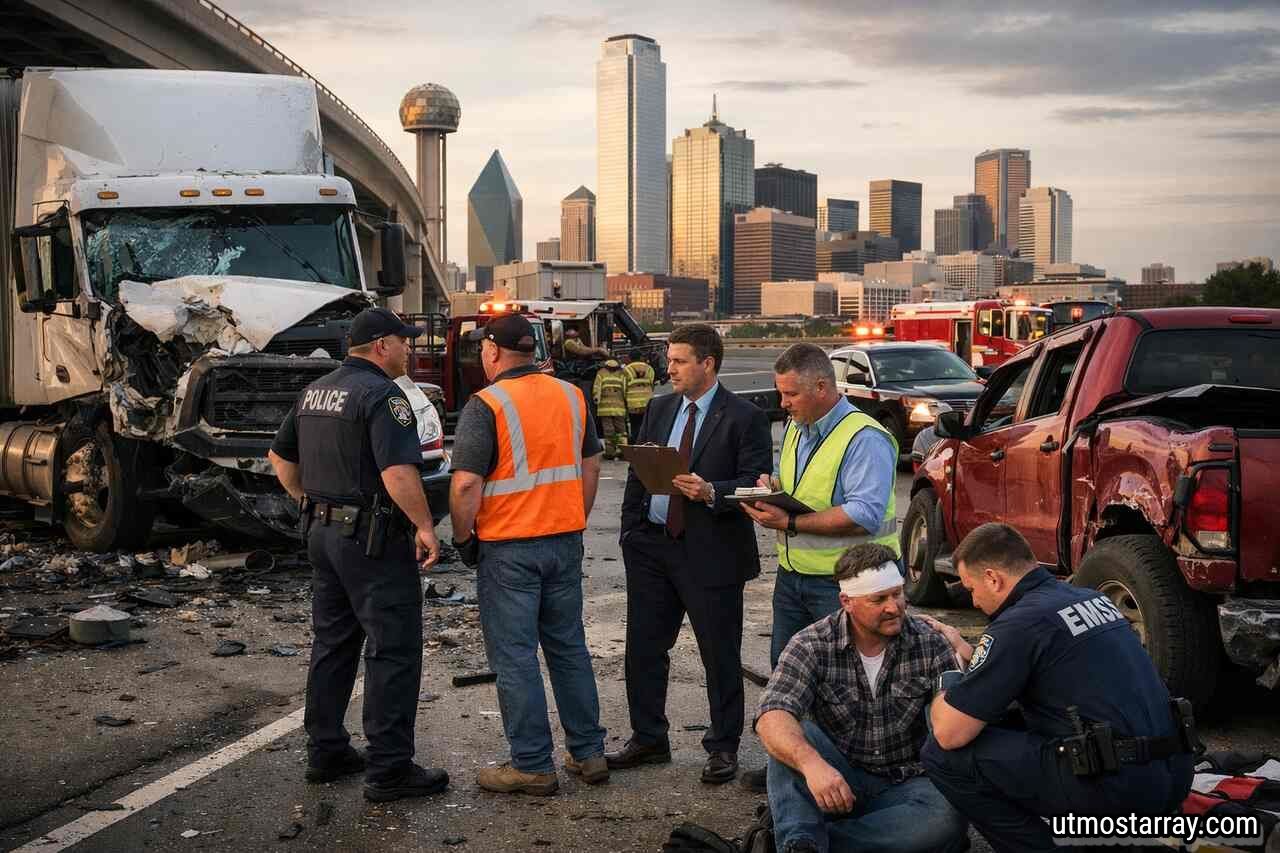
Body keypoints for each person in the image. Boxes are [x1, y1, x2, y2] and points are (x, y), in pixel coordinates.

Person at [922, 523, 1196, 852]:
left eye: (971, 588)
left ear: (994, 578)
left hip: (1116, 790)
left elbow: (950, 732)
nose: (974, 600)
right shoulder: (1091, 597)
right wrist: (972, 651)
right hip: (1173, 776)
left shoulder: (1018, 624)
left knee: (940, 754)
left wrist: (949, 677)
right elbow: (1051, 669)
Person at [267, 306, 448, 803]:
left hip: (323, 538)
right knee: (392, 650)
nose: (409, 348)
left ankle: (326, 751)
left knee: (333, 644)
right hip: (372, 543)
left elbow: (280, 458)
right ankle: (390, 770)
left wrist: (310, 501)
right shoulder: (384, 396)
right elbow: (397, 474)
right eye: (404, 340)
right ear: (381, 346)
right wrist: (425, 526)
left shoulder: (315, 391)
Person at [449, 313, 609, 796]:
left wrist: (463, 539)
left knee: (516, 658)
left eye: (482, 348)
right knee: (568, 648)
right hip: (564, 541)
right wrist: (571, 518)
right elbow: (592, 464)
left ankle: (533, 765)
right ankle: (589, 753)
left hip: (509, 547)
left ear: (493, 353)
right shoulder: (570, 394)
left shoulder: (487, 403)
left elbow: (465, 486)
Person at [608, 323, 772, 784]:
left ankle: (723, 747)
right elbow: (638, 474)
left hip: (712, 553)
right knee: (643, 649)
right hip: (652, 549)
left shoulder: (744, 417)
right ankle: (648, 738)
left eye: (679, 361)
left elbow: (755, 481)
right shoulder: (659, 408)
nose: (669, 368)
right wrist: (630, 533)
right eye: (669, 359)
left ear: (708, 364)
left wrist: (710, 491)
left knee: (719, 655)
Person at [738, 342, 900, 792]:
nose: (782, 404)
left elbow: (864, 514)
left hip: (847, 584)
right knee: (789, 678)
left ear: (822, 387)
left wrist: (788, 520)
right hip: (795, 578)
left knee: (848, 686)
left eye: (790, 395)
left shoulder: (862, 436)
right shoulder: (797, 426)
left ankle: (851, 772)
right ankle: (789, 767)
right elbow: (800, 485)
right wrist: (771, 488)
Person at [755, 542, 969, 853]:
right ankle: (801, 840)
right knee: (788, 732)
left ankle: (805, 843)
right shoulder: (811, 644)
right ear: (847, 602)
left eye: (897, 593)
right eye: (879, 599)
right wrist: (812, 765)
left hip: (907, 781)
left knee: (945, 821)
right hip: (835, 777)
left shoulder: (930, 642)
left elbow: (953, 718)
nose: (894, 607)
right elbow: (771, 715)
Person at [593, 358, 630, 460]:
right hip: (619, 407)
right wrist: (626, 401)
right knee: (621, 430)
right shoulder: (621, 373)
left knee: (609, 431)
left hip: (604, 408)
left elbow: (597, 388)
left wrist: (596, 399)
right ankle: (622, 451)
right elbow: (625, 388)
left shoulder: (601, 373)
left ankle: (610, 452)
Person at [621, 353, 656, 443]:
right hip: (647, 402)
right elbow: (652, 384)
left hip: (633, 404)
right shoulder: (649, 368)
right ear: (641, 357)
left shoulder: (626, 370)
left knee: (635, 425)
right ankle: (646, 444)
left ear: (629, 358)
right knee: (646, 425)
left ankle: (637, 445)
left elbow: (624, 387)